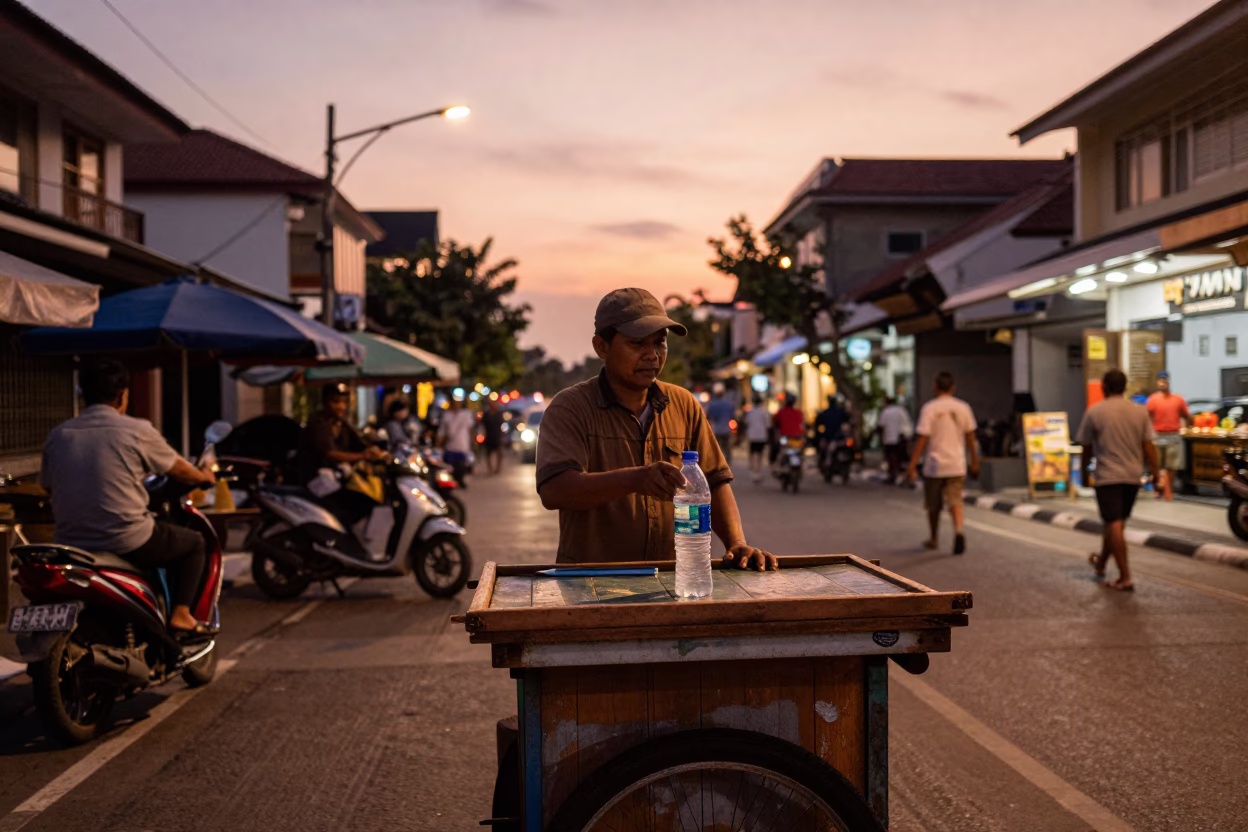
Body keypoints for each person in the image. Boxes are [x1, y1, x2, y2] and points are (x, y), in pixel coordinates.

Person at [536, 287, 776, 570]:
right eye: (637, 344)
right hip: (591, 583)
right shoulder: (570, 408)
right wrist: (635, 480)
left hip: (675, 577)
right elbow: (555, 491)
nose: (652, 355)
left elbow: (715, 481)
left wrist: (736, 542)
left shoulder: (684, 404)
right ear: (602, 347)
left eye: (659, 343)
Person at [40, 360, 217, 635]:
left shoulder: (58, 435)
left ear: (82, 393)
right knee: (195, 543)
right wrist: (205, 476)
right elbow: (182, 471)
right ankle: (182, 614)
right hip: (127, 540)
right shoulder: (136, 430)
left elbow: (49, 487)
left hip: (70, 543)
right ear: (122, 394)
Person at [1079, 369, 1159, 592]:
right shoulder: (1139, 411)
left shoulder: (1095, 412)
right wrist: (1156, 472)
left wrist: (1085, 473)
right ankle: (1102, 564)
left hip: (1108, 476)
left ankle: (1125, 577)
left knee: (1114, 523)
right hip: (1132, 476)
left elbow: (1086, 447)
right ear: (1125, 387)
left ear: (1104, 386)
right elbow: (1148, 446)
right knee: (1116, 522)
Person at [298, 383, 387, 532]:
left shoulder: (341, 423)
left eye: (344, 402)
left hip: (336, 479)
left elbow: (359, 443)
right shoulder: (317, 422)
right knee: (348, 506)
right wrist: (363, 456)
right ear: (325, 402)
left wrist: (377, 451)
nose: (341, 406)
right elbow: (330, 453)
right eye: (336, 402)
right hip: (315, 481)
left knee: (366, 502)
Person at [906, 372, 979, 555]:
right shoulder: (963, 407)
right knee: (956, 501)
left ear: (935, 387)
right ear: (952, 388)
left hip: (934, 465)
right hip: (957, 464)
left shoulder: (930, 408)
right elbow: (971, 437)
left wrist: (912, 464)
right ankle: (959, 531)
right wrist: (974, 461)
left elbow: (923, 438)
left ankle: (934, 537)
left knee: (933, 504)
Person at [1145, 371, 1190, 501]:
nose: (1163, 382)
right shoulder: (1153, 400)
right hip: (1157, 435)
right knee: (1157, 465)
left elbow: (1187, 416)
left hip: (1173, 436)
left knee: (1172, 466)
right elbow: (1146, 418)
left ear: (1169, 381)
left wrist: (1186, 428)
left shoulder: (1178, 399)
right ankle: (1159, 489)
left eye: (1165, 380)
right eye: (1160, 380)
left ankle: (1166, 488)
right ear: (1157, 382)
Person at [438, 398, 476, 487]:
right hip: (450, 445)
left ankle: (460, 481)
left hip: (462, 444)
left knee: (461, 465)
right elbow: (442, 431)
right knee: (450, 466)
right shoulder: (447, 415)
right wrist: (439, 443)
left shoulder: (465, 414)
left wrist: (473, 442)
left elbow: (471, 429)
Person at [877, 397, 913, 484]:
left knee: (891, 458)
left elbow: (880, 425)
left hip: (889, 439)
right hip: (901, 438)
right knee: (901, 457)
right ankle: (902, 475)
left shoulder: (886, 411)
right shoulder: (901, 410)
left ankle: (893, 475)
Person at [743, 394, 772, 484]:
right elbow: (768, 425)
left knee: (752, 454)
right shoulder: (764, 412)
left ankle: (752, 470)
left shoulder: (750, 412)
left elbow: (746, 422)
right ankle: (758, 472)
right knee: (760, 455)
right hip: (761, 436)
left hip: (752, 436)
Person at [705, 386, 735, 465]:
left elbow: (709, 417)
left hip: (716, 429)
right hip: (726, 429)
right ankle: (727, 463)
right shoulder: (728, 404)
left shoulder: (712, 404)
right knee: (727, 448)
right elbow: (732, 416)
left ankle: (718, 463)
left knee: (717, 448)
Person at [481, 398, 506, 475]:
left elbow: (503, 425)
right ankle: (490, 469)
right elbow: (483, 426)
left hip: (497, 436)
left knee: (500, 453)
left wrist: (503, 435)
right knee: (488, 454)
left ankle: (498, 468)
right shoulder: (486, 414)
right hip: (489, 436)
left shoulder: (499, 414)